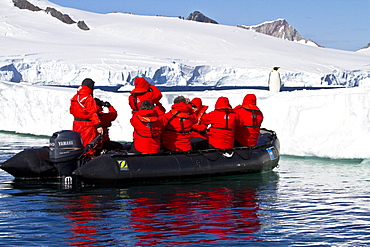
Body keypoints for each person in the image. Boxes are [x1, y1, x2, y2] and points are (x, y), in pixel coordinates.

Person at [70, 78, 103, 146]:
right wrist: (98, 126)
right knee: (88, 145)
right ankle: (88, 156)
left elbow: (72, 111)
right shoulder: (88, 98)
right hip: (87, 126)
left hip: (76, 124)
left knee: (78, 144)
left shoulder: (76, 97)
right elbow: (92, 113)